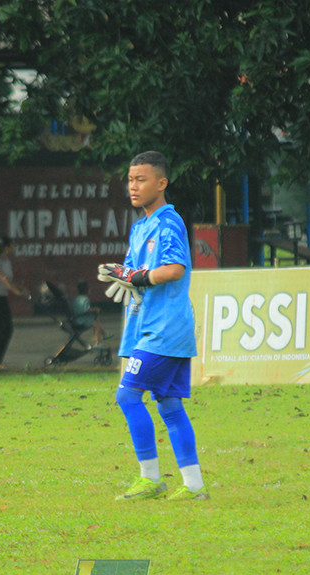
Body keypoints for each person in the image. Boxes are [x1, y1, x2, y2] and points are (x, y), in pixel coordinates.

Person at [97, 151, 208, 501]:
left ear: (162, 183)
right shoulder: (140, 227)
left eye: (141, 179)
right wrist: (125, 274)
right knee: (169, 405)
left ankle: (150, 478)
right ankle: (194, 487)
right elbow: (133, 273)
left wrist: (139, 276)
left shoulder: (167, 221)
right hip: (146, 325)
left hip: (164, 328)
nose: (133, 186)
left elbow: (174, 268)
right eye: (130, 179)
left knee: (127, 395)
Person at [0, 236, 27, 369]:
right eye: (12, 245)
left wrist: (21, 288)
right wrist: (15, 290)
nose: (14, 248)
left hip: (2, 297)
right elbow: (2, 278)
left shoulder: (7, 261)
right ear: (6, 247)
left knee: (8, 329)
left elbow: (9, 280)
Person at [71, 280, 106, 347]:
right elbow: (86, 309)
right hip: (82, 320)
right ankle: (98, 343)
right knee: (96, 325)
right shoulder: (85, 299)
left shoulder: (77, 299)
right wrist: (95, 309)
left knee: (95, 320)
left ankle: (104, 333)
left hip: (78, 318)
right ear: (87, 290)